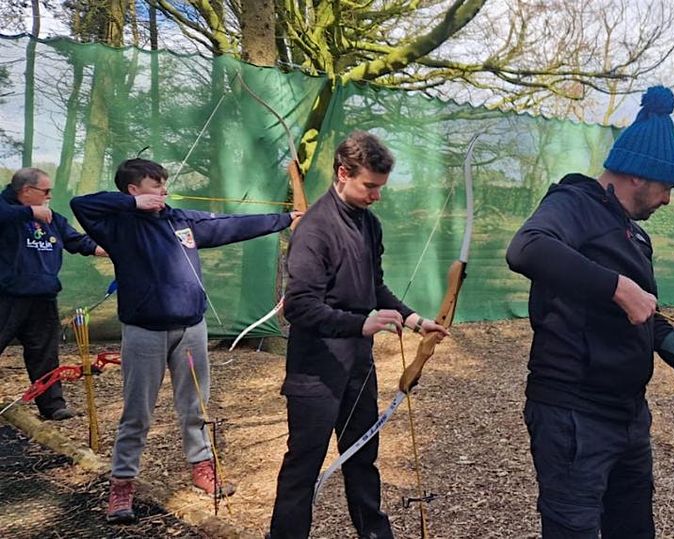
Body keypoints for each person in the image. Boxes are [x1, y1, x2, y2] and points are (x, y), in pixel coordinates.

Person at [506, 86, 674, 538]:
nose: (668, 199)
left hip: (628, 417)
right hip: (572, 417)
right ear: (638, 176)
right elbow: (526, 249)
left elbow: (651, 320)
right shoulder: (572, 204)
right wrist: (617, 287)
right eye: (666, 187)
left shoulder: (633, 235)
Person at [70, 158, 302, 524]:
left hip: (191, 329)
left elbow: (232, 226)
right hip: (144, 331)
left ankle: (202, 468)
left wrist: (286, 219)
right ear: (132, 190)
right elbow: (79, 205)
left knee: (196, 406)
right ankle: (122, 485)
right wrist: (133, 206)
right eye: (154, 185)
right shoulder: (116, 225)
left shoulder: (180, 220)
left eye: (163, 183)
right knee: (137, 414)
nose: (163, 190)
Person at [268, 131, 448, 539]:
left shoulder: (369, 224)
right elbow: (298, 306)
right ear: (342, 172)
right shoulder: (314, 230)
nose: (376, 196)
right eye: (370, 186)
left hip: (357, 365)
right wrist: (359, 324)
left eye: (381, 188)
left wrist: (414, 319)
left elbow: (374, 288)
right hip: (315, 372)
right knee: (304, 466)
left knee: (362, 456)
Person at [0, 167, 107, 420]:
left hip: (43, 296)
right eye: (45, 191)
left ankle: (52, 406)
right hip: (6, 295)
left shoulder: (50, 217)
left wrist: (102, 249)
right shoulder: (7, 210)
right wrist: (28, 212)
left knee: (45, 353)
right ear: (26, 191)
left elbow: (75, 240)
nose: (49, 196)